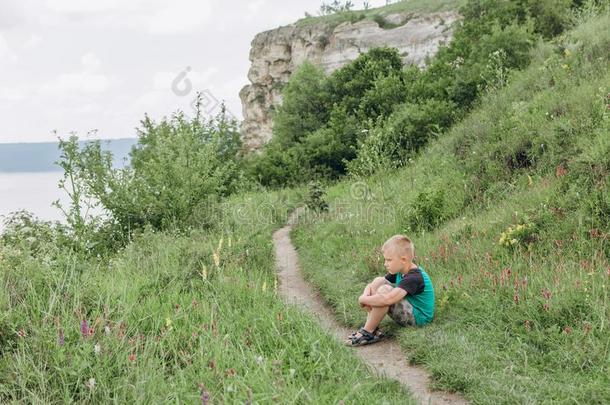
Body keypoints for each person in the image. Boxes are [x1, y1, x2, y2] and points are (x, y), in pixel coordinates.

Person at [346, 235, 435, 346]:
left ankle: (368, 332)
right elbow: (375, 283)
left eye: (389, 260)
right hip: (410, 310)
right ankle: (372, 327)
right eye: (385, 259)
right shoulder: (401, 270)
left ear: (403, 260)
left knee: (385, 291)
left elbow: (388, 299)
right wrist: (365, 296)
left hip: (419, 319)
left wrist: (364, 300)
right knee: (379, 281)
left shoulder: (414, 277)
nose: (385, 263)